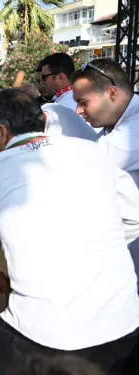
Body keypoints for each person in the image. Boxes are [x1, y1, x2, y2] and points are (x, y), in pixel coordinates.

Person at [0, 89, 139, 374]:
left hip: (46, 335)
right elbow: (134, 218)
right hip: (125, 324)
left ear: (1, 133)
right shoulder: (94, 151)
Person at [72, 59, 139, 288]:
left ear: (111, 93)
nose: (78, 111)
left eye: (83, 102)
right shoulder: (113, 125)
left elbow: (83, 167)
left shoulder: (134, 131)